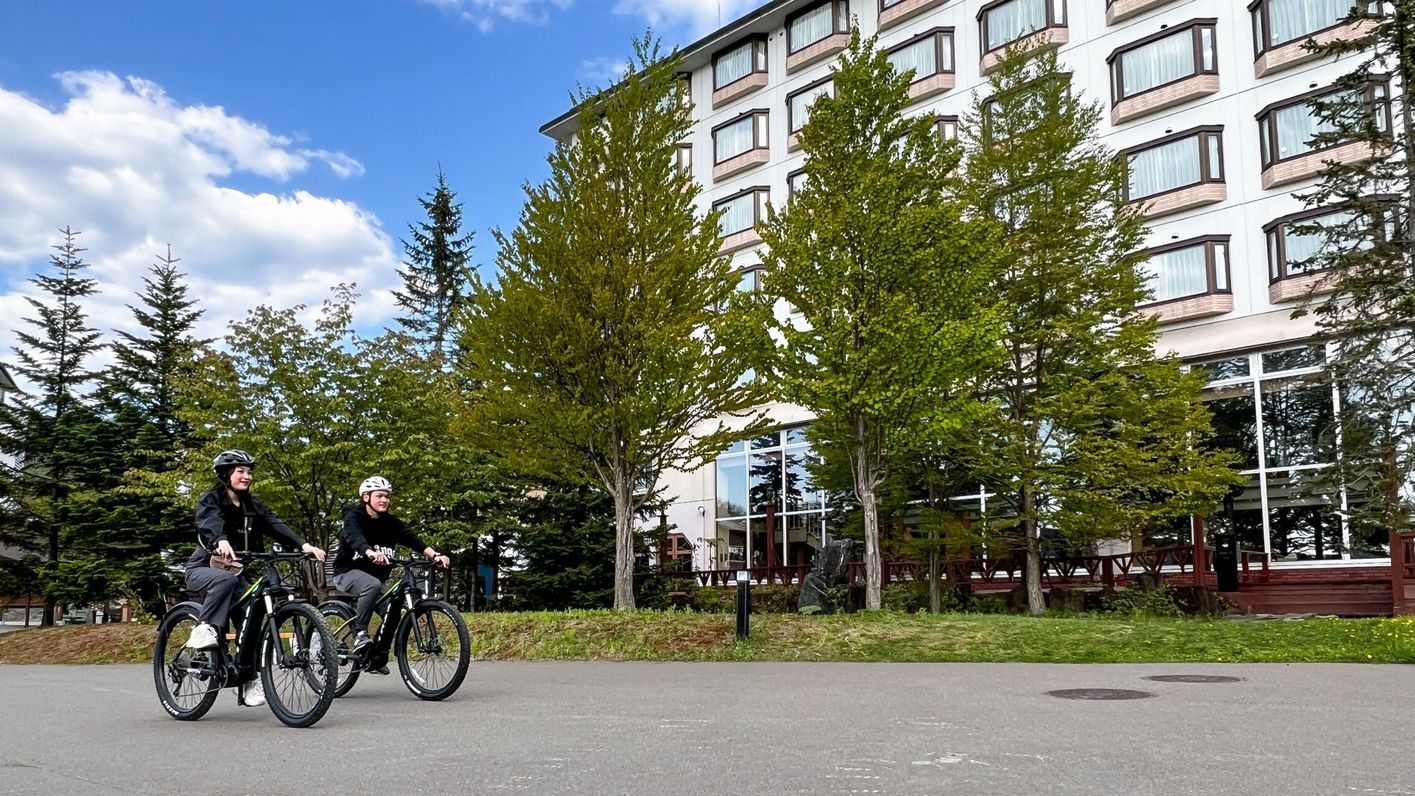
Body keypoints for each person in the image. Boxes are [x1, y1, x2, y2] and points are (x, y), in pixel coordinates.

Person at [184, 449, 326, 707]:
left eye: (249, 472)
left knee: (254, 610)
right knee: (225, 581)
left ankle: (248, 678)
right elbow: (209, 521)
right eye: (241, 471)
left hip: (236, 571)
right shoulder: (212, 499)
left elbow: (275, 524)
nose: (247, 476)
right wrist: (220, 540)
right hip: (204, 566)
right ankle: (204, 628)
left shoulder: (253, 504)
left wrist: (304, 545)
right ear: (226, 474)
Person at [331, 476, 449, 674]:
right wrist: (368, 551)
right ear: (366, 497)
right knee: (372, 585)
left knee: (393, 610)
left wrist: (434, 554)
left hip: (376, 579)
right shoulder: (354, 517)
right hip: (347, 573)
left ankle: (375, 657)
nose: (384, 500)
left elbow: (411, 538)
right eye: (379, 496)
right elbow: (353, 536)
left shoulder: (390, 522)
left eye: (387, 496)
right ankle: (360, 633)